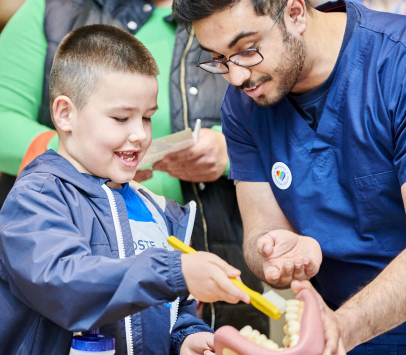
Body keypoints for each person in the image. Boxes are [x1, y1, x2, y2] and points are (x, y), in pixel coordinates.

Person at [0, 0, 268, 333]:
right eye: (120, 118)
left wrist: (186, 338)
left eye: (148, 118)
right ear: (65, 114)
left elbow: (166, 312)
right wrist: (91, 162)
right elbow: (69, 285)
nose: (140, 135)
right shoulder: (38, 199)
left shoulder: (159, 213)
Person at [172, 0, 406, 354]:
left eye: (247, 50)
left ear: (295, 13)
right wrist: (274, 251)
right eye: (218, 59)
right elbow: (259, 233)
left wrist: (344, 328)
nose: (236, 77)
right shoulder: (243, 106)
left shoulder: (395, 64)